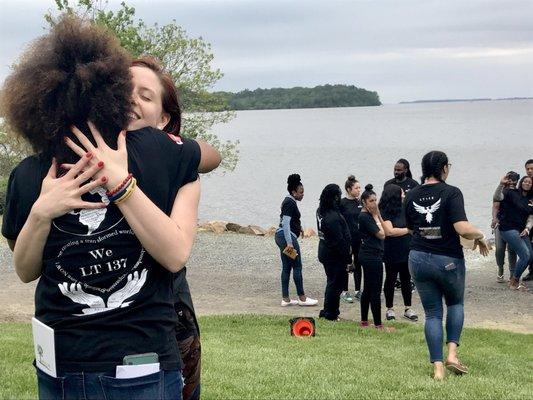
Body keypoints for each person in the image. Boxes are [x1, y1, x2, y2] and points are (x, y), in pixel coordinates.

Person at [1, 16, 200, 399]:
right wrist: (42, 211)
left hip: (134, 364)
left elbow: (176, 253)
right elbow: (26, 270)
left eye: (145, 96)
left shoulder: (159, 153)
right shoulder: (31, 177)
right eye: (130, 92)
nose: (131, 103)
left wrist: (121, 183)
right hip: (64, 367)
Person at [129, 56, 221, 400]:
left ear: (164, 118)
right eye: (123, 91)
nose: (132, 100)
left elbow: (211, 155)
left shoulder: (172, 159)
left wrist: (174, 145)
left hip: (167, 312)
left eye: (146, 95)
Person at [405, 150, 489, 381]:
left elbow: (412, 229)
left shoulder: (411, 195)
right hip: (447, 260)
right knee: (455, 304)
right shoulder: (451, 192)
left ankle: (438, 369)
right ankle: (452, 354)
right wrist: (481, 235)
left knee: (432, 314)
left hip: (418, 257)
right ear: (444, 169)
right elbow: (462, 228)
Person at [275, 174, 318, 307]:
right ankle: (302, 298)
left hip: (281, 236)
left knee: (287, 266)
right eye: (301, 192)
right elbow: (286, 223)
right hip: (286, 238)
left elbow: (287, 221)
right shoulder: (289, 202)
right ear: (293, 192)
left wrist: (299, 229)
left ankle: (286, 299)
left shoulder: (288, 201)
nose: (303, 194)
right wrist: (290, 242)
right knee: (297, 266)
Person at [379, 184, 418, 322]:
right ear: (394, 196)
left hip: (406, 249)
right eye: (401, 193)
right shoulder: (384, 212)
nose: (403, 195)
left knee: (406, 279)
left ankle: (408, 307)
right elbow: (389, 231)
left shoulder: (405, 209)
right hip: (391, 250)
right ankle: (390, 309)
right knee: (390, 278)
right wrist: (407, 231)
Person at [358, 184, 393, 331]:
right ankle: (378, 324)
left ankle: (365, 321)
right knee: (375, 290)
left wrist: (377, 215)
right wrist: (377, 215)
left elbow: (386, 232)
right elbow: (382, 234)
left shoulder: (368, 216)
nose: (374, 203)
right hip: (371, 256)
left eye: (375, 200)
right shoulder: (365, 217)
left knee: (367, 288)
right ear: (364, 202)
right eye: (371, 201)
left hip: (370, 254)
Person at [316, 184, 352, 321]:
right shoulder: (332, 218)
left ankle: (327, 310)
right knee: (335, 284)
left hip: (325, 250)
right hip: (334, 255)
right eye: (339, 195)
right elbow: (340, 241)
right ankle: (331, 313)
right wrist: (349, 259)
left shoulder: (320, 210)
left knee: (331, 282)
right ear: (335, 197)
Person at [493, 174, 533, 290]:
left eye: (530, 182)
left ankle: (513, 278)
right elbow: (497, 198)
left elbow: (531, 217)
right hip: (507, 228)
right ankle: (514, 281)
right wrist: (501, 184)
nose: (527, 183)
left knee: (530, 256)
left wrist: (527, 228)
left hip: (521, 230)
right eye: (525, 181)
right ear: (521, 182)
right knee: (525, 255)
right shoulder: (511, 193)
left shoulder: (530, 199)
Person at [339, 175, 363, 302]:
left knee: (358, 264)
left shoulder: (360, 202)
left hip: (359, 239)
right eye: (356, 188)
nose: (359, 190)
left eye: (360, 187)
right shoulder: (342, 203)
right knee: (346, 264)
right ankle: (344, 291)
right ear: (349, 189)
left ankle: (358, 291)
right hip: (346, 239)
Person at [491, 171, 518, 282]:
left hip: (514, 226)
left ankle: (512, 273)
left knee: (512, 249)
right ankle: (500, 268)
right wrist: (494, 219)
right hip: (500, 224)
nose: (511, 181)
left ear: (517, 181)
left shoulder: (519, 192)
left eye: (513, 179)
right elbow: (495, 206)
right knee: (500, 249)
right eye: (509, 179)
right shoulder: (501, 192)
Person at [522, 159, 533, 281]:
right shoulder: (527, 183)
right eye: (528, 169)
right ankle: (531, 271)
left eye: (532, 168)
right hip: (529, 220)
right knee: (530, 245)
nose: (529, 171)